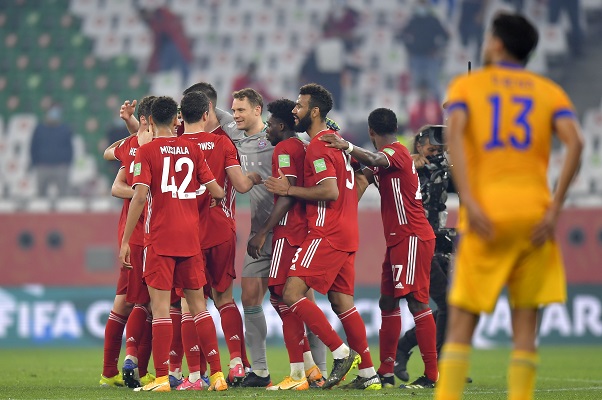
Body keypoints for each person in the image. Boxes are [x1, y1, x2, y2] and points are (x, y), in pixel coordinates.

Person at [434, 13, 583, 400]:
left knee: (462, 326)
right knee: (524, 330)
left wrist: (468, 196)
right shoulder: (547, 90)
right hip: (534, 214)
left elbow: (455, 133)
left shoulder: (470, 85)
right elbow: (576, 144)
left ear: (497, 44)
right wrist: (554, 209)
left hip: (487, 215)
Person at [264, 83, 380, 391]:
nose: (295, 111)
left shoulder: (318, 146)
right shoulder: (338, 143)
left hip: (326, 231)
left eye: (300, 106)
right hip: (348, 231)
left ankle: (340, 352)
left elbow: (329, 191)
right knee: (343, 303)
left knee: (290, 294)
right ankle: (369, 373)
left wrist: (288, 189)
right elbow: (355, 182)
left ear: (314, 111)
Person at [320, 108, 439, 390]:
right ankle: (384, 372)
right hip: (398, 240)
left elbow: (374, 158)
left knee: (417, 301)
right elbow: (362, 173)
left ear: (372, 133)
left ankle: (432, 376)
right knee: (387, 302)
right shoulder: (391, 159)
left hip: (412, 236)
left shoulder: (395, 152)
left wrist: (346, 145)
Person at [119, 96, 228, 392]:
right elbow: (216, 189)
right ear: (177, 120)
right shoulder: (192, 149)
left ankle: (164, 378)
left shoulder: (146, 151)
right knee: (198, 308)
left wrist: (127, 240)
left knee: (161, 308)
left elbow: (139, 197)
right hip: (191, 238)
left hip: (160, 239)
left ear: (151, 121)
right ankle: (217, 375)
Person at [178, 89, 260, 389]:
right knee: (224, 299)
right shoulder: (223, 143)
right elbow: (240, 185)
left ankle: (196, 375)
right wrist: (255, 177)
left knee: (191, 305)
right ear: (206, 111)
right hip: (221, 231)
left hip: (186, 234)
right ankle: (238, 364)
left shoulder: (172, 147)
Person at [247, 99, 325, 390]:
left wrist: (265, 231)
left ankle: (300, 373)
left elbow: (288, 193)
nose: (266, 129)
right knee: (287, 297)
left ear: (281, 125)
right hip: (305, 228)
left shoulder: (284, 148)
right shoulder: (304, 146)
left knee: (281, 296)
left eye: (269, 124)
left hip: (288, 229)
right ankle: (310, 369)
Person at [103, 95, 156, 389]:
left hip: (134, 230)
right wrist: (142, 192)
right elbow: (116, 186)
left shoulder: (130, 146)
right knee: (143, 301)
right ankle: (134, 362)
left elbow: (109, 154)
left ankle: (109, 371)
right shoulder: (153, 149)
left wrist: (129, 124)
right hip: (142, 232)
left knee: (125, 301)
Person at [394, 126, 455, 383]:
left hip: (440, 242)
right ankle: (433, 364)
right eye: (432, 149)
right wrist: (409, 162)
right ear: (418, 145)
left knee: (449, 306)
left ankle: (407, 349)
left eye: (440, 149)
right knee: (445, 304)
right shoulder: (409, 168)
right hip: (418, 242)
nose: (436, 154)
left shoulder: (444, 171)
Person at [396, 0, 449, 101]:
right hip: (416, 58)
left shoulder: (433, 20)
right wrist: (409, 49)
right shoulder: (413, 20)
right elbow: (402, 35)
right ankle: (418, 113)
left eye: (423, 4)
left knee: (434, 88)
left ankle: (436, 112)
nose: (422, 7)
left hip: (431, 58)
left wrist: (436, 49)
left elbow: (445, 36)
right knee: (416, 89)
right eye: (420, 4)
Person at [30, 103, 73, 198]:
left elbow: (70, 148)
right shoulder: (39, 128)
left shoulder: (65, 129)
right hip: (42, 166)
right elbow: (33, 147)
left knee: (63, 196)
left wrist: (67, 164)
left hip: (61, 167)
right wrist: (35, 163)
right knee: (40, 196)